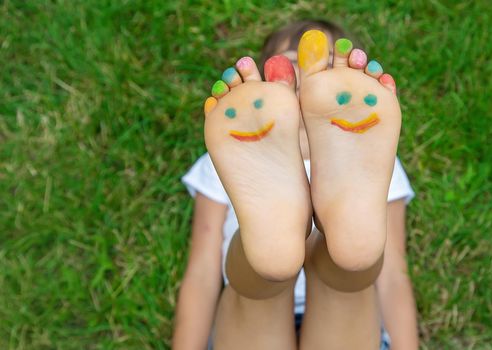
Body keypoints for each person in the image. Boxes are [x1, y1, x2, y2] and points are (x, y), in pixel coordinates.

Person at [173, 20, 419, 350]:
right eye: (289, 63)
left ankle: (320, 255)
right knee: (265, 278)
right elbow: (202, 271)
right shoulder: (227, 155)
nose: (304, 72)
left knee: (351, 260)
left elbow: (393, 274)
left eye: (324, 64)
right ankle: (272, 262)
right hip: (283, 325)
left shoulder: (377, 157)